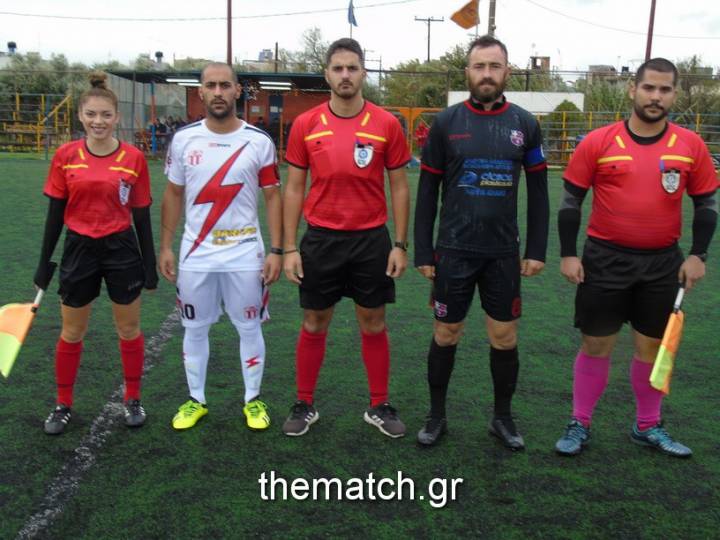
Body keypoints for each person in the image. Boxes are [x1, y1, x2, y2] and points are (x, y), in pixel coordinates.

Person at [554, 58, 718, 458]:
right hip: (604, 260)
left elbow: (706, 203)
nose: (655, 96)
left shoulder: (690, 145)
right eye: (649, 88)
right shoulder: (599, 141)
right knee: (596, 344)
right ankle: (579, 422)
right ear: (633, 90)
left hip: (662, 265)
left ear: (674, 94)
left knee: (652, 348)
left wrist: (698, 255)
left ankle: (647, 425)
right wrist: (568, 254)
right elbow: (571, 201)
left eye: (664, 90)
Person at [413, 35, 549, 450]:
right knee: (446, 331)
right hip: (453, 251)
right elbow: (427, 191)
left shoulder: (525, 124)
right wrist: (423, 250)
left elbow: (539, 193)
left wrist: (536, 249)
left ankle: (502, 419)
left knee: (504, 336)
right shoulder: (446, 123)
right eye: (479, 66)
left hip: (502, 254)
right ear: (468, 72)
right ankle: (436, 417)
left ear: (507, 71)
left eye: (494, 66)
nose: (486, 74)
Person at [282, 38, 411, 438]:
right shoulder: (306, 124)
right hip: (321, 239)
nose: (345, 75)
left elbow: (400, 186)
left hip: (371, 240)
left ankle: (379, 405)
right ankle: (304, 403)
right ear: (327, 75)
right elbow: (293, 188)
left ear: (363, 73)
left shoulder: (386, 123)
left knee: (373, 321)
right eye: (338, 68)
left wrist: (400, 244)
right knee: (314, 320)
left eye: (352, 68)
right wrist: (289, 247)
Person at [159, 62, 282, 432]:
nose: (217, 92)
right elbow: (173, 194)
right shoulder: (184, 140)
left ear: (237, 91)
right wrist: (166, 246)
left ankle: (253, 400)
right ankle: (196, 400)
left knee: (250, 327)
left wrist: (277, 250)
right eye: (210, 85)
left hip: (245, 254)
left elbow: (273, 197)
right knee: (194, 329)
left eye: (225, 85)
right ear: (200, 92)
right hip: (195, 255)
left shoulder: (259, 141)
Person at [35, 72, 158, 435]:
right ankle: (63, 404)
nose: (98, 121)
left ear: (117, 117)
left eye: (106, 115)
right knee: (72, 331)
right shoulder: (65, 156)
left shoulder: (133, 158)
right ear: (80, 116)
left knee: (128, 328)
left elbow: (141, 215)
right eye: (91, 114)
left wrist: (149, 264)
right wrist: (43, 263)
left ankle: (133, 398)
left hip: (121, 248)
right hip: (79, 248)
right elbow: (55, 214)